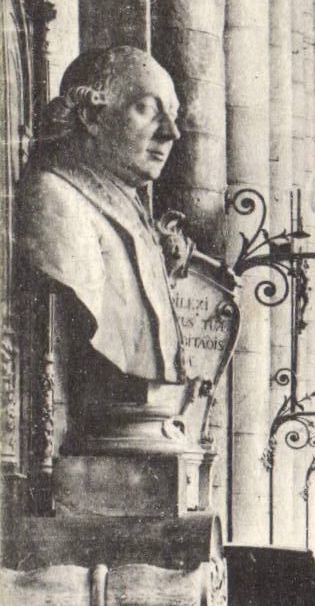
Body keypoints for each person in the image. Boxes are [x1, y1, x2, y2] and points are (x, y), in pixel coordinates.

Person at [16, 46, 188, 435]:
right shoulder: (55, 198)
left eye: (173, 115)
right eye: (147, 108)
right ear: (93, 114)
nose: (170, 132)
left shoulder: (128, 209)